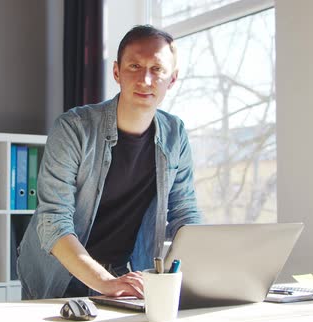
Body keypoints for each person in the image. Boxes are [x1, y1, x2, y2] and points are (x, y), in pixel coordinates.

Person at [17, 25, 201, 300]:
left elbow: (184, 214)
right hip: (56, 273)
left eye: (157, 69)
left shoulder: (175, 134)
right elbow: (53, 220)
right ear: (116, 72)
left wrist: (208, 267)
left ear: (172, 79)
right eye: (134, 66)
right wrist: (104, 282)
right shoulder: (73, 128)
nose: (146, 79)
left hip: (123, 273)